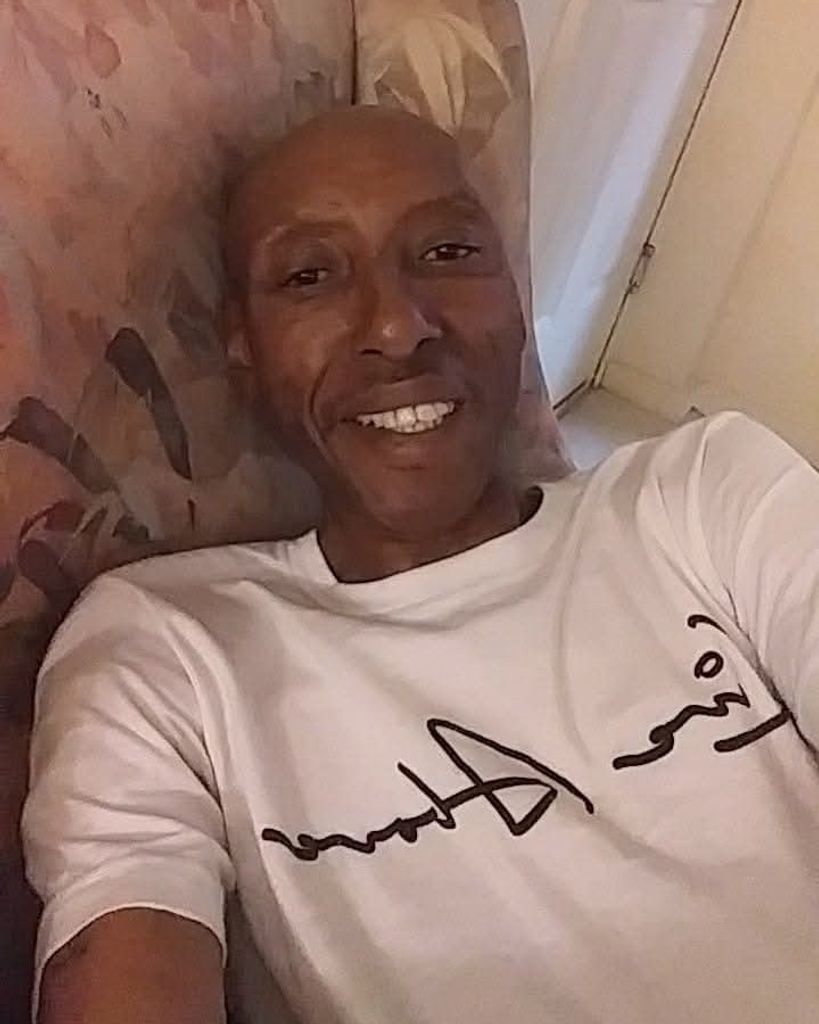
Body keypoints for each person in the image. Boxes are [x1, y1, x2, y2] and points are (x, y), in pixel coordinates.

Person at [22, 106, 819, 1024]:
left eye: (446, 252)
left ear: (512, 293)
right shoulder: (164, 645)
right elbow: (130, 950)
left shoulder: (703, 492)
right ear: (241, 345)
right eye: (309, 275)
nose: (398, 328)